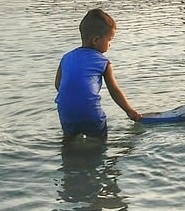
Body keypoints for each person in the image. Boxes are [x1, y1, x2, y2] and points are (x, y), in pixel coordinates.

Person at [55, 9, 141, 143]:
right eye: (109, 39)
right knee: (100, 143)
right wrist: (129, 111)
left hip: (66, 114)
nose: (110, 44)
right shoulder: (103, 62)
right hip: (91, 114)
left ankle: (69, 157)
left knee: (68, 142)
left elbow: (58, 85)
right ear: (96, 40)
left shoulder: (66, 58)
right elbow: (114, 91)